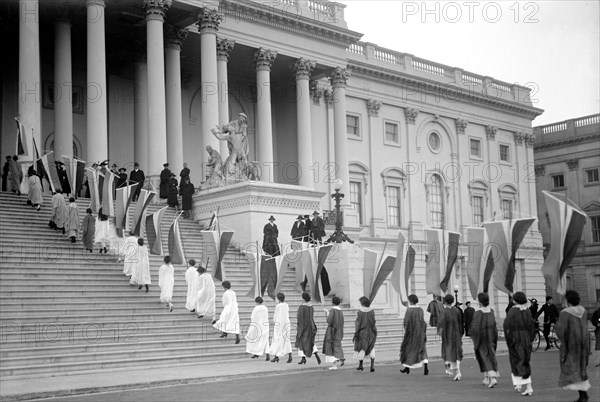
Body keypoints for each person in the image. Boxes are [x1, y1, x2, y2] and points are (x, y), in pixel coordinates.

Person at [555, 290, 591, 402]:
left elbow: (561, 330)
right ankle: (583, 395)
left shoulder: (565, 313)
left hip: (571, 344)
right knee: (580, 368)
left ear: (567, 300)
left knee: (572, 368)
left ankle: (583, 396)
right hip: (583, 343)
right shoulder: (583, 310)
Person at [503, 291, 534, 396]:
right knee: (524, 360)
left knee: (517, 360)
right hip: (526, 337)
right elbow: (531, 326)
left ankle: (525, 385)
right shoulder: (527, 311)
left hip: (516, 338)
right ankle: (522, 384)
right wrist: (530, 338)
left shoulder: (512, 311)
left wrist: (509, 339)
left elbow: (507, 326)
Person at [470, 292, 499, 388]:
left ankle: (492, 378)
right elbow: (494, 326)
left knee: (484, 357)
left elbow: (475, 328)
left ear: (480, 302)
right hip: (490, 337)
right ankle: (486, 378)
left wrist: (473, 337)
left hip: (481, 339)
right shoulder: (491, 311)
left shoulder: (478, 313)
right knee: (490, 356)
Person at [399, 294, 429, 375]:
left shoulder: (409, 310)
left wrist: (406, 330)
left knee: (408, 349)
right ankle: (425, 367)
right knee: (422, 349)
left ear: (411, 301)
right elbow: (422, 321)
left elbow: (406, 322)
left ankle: (407, 367)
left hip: (412, 332)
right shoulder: (420, 310)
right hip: (420, 332)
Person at [437, 294, 463, 381]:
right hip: (456, 334)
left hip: (447, 335)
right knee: (456, 353)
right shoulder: (457, 311)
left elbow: (441, 323)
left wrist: (439, 333)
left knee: (447, 352)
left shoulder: (443, 312)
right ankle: (455, 371)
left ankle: (452, 369)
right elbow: (460, 323)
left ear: (445, 301)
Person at [295, 292, 320, 365]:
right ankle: (315, 353)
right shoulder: (311, 307)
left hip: (304, 326)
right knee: (310, 341)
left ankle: (303, 358)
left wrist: (299, 328)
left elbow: (300, 318)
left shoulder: (301, 307)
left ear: (303, 298)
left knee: (301, 342)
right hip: (311, 325)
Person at [353, 296, 377, 372]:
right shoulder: (372, 311)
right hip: (371, 331)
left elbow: (358, 323)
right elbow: (373, 322)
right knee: (371, 346)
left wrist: (356, 332)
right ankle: (372, 365)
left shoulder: (360, 312)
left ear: (362, 303)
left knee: (361, 347)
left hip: (363, 332)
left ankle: (361, 365)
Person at [269, 292, 293, 363]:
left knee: (277, 339)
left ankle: (276, 356)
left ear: (278, 299)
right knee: (286, 340)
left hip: (279, 325)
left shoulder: (278, 306)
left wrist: (274, 321)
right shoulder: (286, 305)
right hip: (286, 324)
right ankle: (290, 356)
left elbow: (276, 316)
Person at [323, 296, 344, 370]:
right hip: (339, 331)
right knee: (337, 346)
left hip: (332, 331)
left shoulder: (333, 310)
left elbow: (329, 321)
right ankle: (341, 358)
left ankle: (334, 365)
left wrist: (327, 313)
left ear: (332, 302)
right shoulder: (340, 311)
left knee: (332, 347)